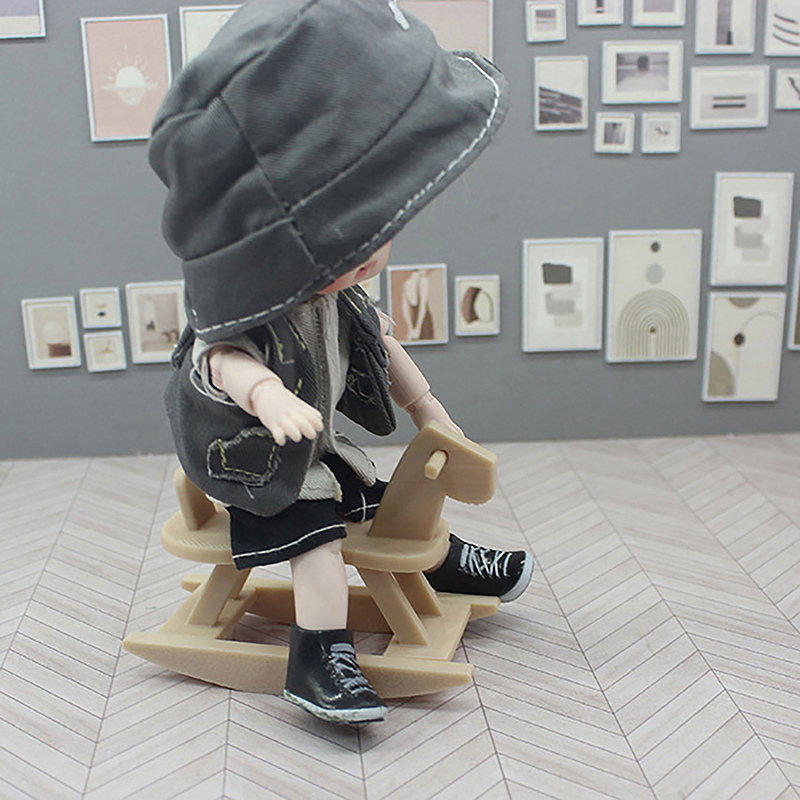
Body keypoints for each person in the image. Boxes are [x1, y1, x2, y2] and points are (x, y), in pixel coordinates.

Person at [148, 0, 532, 725]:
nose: (370, 256)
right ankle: (318, 654)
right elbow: (222, 363)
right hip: (262, 467)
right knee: (319, 547)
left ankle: (445, 562)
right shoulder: (244, 319)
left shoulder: (334, 297)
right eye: (348, 242)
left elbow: (384, 349)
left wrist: (427, 409)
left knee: (380, 499)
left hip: (316, 449)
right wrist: (266, 396)